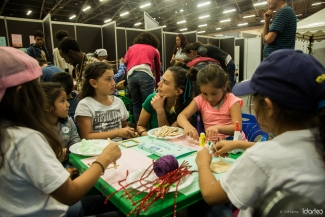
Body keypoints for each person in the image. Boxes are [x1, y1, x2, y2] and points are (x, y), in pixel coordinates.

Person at [189, 49, 325, 217]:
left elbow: (211, 195)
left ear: (268, 107)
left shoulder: (260, 158)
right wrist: (239, 143)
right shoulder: (318, 141)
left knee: (200, 207)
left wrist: (203, 162)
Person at [0, 47, 123, 217]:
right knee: (124, 208)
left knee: (108, 200)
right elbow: (69, 194)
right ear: (22, 93)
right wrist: (105, 159)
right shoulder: (24, 138)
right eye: (37, 88)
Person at [177, 64, 244, 141]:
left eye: (214, 93)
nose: (209, 98)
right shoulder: (200, 100)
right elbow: (182, 115)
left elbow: (238, 128)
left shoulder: (232, 101)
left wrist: (217, 128)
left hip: (234, 144)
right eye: (204, 93)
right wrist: (187, 125)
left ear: (225, 86)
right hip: (212, 144)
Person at [75, 62, 136, 140]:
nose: (113, 83)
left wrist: (129, 132)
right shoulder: (85, 105)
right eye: (108, 79)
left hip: (119, 148)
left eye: (113, 78)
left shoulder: (118, 102)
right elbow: (86, 137)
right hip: (97, 151)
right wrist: (116, 132)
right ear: (94, 83)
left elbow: (124, 126)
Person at [137, 66, 193, 136]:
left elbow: (168, 134)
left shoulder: (188, 107)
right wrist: (147, 135)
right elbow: (140, 126)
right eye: (161, 79)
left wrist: (160, 110)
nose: (159, 84)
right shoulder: (152, 99)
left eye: (165, 82)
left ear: (178, 91)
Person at [124, 32, 161, 123]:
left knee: (136, 103)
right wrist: (157, 84)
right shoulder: (154, 49)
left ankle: (138, 126)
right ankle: (147, 127)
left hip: (131, 76)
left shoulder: (131, 48)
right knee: (147, 103)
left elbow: (125, 61)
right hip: (145, 74)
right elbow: (157, 68)